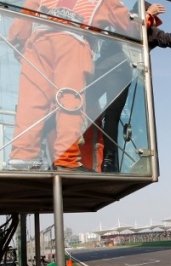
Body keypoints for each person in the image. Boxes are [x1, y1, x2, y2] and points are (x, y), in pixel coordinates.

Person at [7, 0, 138, 171]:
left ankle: (22, 156)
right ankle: (66, 159)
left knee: (31, 102)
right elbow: (128, 27)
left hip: (38, 42)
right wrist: (143, 21)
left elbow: (24, 17)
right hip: (73, 41)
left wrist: (19, 40)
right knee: (69, 100)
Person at [86, 2, 171, 172]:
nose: (153, 21)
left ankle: (109, 162)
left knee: (110, 117)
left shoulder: (149, 32)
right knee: (83, 111)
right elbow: (130, 29)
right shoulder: (124, 23)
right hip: (103, 72)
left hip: (118, 74)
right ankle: (92, 158)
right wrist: (146, 13)